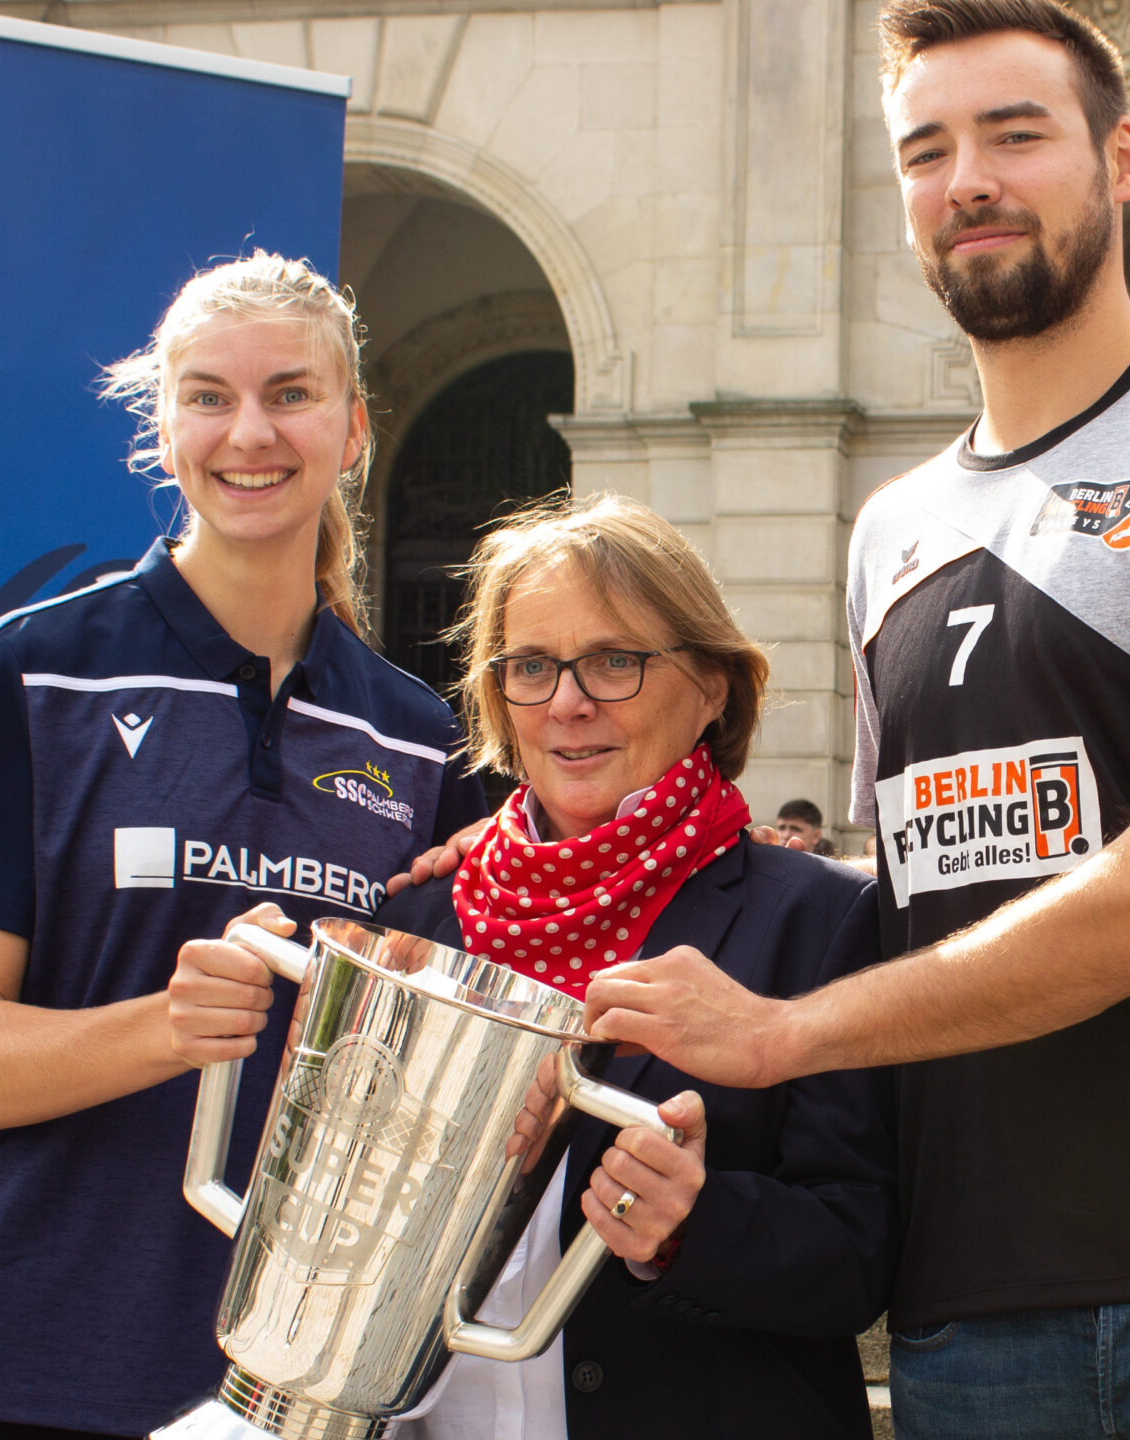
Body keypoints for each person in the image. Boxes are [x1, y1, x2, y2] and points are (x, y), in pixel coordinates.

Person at [566, 4, 1130, 1434]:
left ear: (1122, 160)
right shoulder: (890, 528)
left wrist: (782, 1034)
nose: (966, 177)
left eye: (1014, 135)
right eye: (926, 150)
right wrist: (505, 866)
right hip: (973, 1318)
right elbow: (915, 891)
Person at [0, 253, 489, 1440]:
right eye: (207, 396)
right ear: (161, 431)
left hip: (279, 1393)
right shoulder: (37, 669)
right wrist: (170, 1025)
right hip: (9, 1368)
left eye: (289, 394)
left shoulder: (416, 736)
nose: (247, 432)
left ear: (353, 428)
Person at [173, 495, 896, 1440]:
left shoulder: (818, 919)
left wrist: (695, 1222)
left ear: (714, 686)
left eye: (615, 661)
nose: (567, 702)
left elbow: (861, 1252)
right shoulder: (420, 920)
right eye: (531, 667)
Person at [774, 797, 840, 856]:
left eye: (795, 829)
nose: (786, 835)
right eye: (781, 828)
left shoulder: (826, 869)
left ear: (816, 836)